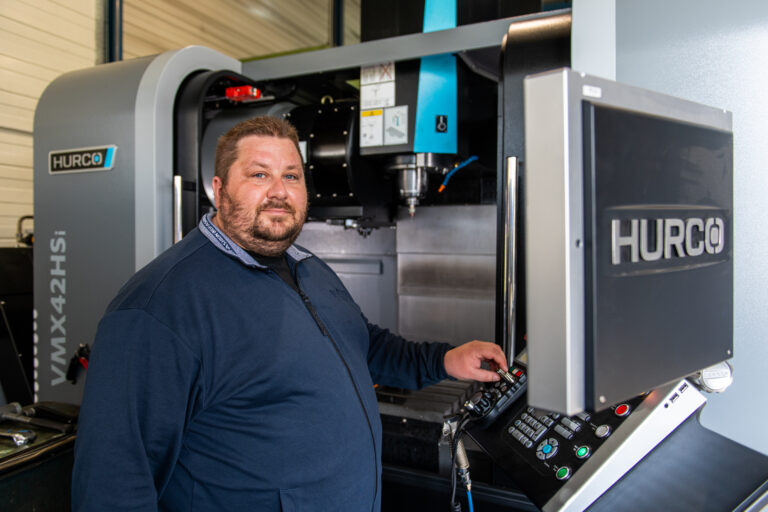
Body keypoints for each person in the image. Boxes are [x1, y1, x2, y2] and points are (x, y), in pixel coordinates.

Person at [72, 116, 507, 511]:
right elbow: (114, 484)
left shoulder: (308, 267)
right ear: (219, 190)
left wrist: (445, 360)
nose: (279, 191)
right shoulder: (158, 308)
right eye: (259, 174)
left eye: (291, 176)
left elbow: (364, 344)